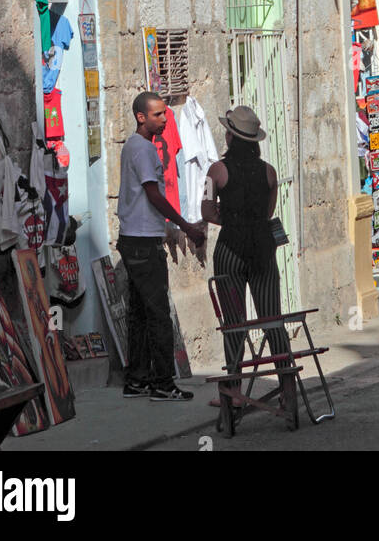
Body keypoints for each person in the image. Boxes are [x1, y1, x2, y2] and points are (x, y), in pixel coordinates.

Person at [116, 92, 205, 402]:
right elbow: (153, 195)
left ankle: (137, 380)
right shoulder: (141, 149)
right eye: (157, 115)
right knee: (158, 314)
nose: (164, 120)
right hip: (141, 243)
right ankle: (163, 383)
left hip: (136, 239)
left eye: (165, 115)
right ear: (141, 117)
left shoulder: (136, 146)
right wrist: (186, 226)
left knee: (140, 314)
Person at [201, 106, 290, 382]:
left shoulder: (215, 171)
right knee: (272, 319)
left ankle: (235, 389)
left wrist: (229, 219)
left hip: (230, 250)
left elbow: (206, 210)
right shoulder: (270, 173)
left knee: (233, 324)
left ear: (230, 138)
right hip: (262, 250)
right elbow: (267, 213)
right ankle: (287, 383)